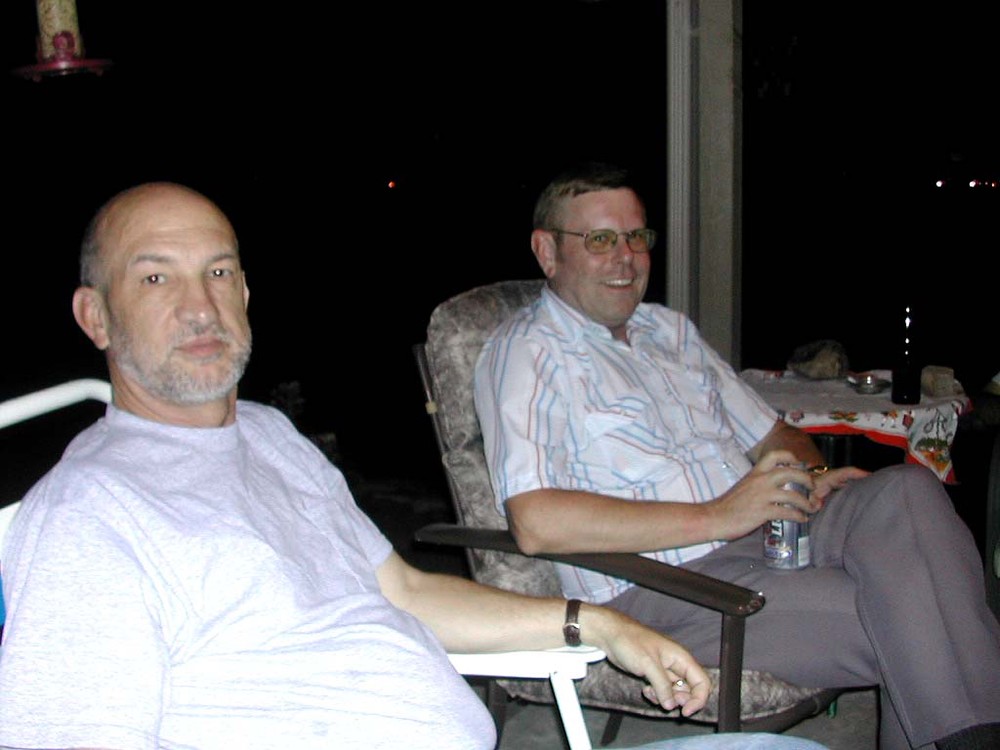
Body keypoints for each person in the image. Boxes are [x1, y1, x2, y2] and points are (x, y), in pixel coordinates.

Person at [0, 181, 828, 750]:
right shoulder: (88, 516)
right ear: (95, 317)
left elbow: (405, 591)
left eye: (218, 271)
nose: (200, 305)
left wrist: (601, 625)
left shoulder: (269, 438)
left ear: (246, 293)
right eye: (155, 277)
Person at [474, 161, 1000, 750]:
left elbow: (775, 435)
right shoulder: (526, 352)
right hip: (665, 586)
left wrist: (812, 476)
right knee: (922, 615)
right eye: (599, 239)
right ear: (547, 252)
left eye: (636, 237)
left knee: (907, 489)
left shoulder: (669, 331)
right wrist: (720, 515)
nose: (626, 257)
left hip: (771, 531)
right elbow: (536, 522)